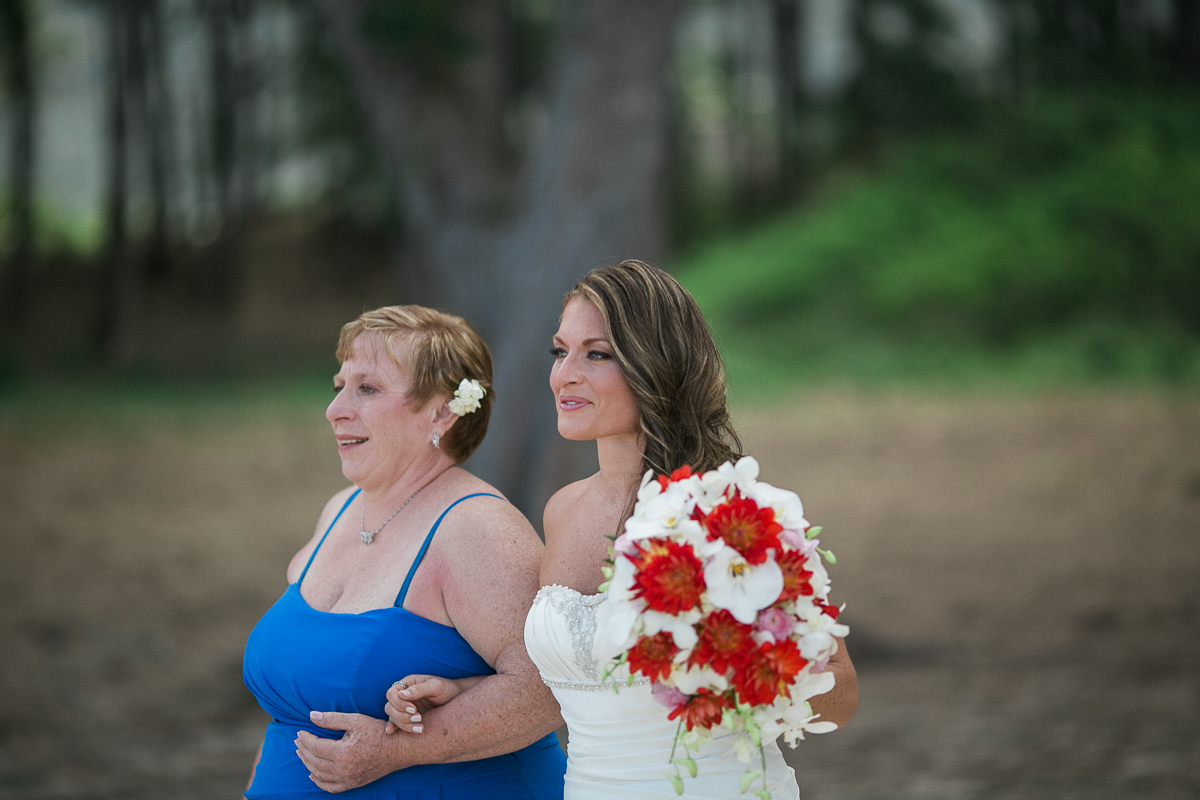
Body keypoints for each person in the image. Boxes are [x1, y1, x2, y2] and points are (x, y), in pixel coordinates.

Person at [385, 262, 858, 798]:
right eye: (560, 351)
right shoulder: (561, 510)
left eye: (597, 354)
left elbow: (840, 694)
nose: (565, 374)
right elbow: (587, 677)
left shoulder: (730, 515)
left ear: (657, 365)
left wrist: (745, 665)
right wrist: (464, 690)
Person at [241, 305, 566, 799]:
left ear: (442, 411)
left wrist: (396, 752)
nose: (335, 409)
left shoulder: (477, 528)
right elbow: (289, 716)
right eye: (339, 387)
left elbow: (548, 689)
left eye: (367, 389)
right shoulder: (339, 511)